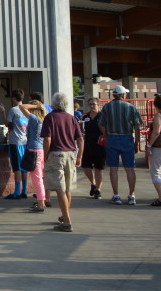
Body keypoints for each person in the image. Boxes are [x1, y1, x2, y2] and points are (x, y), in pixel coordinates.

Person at [41, 91, 85, 232]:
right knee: (67, 188)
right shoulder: (71, 118)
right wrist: (79, 156)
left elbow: (47, 139)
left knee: (60, 189)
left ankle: (67, 221)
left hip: (56, 154)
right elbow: (80, 139)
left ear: (54, 103)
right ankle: (65, 215)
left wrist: (45, 155)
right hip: (70, 154)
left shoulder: (50, 118)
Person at [98, 85, 143, 205]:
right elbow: (137, 126)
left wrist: (107, 135)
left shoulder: (107, 107)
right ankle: (131, 195)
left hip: (112, 138)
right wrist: (136, 143)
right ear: (123, 95)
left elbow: (101, 124)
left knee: (113, 168)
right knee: (129, 168)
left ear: (114, 95)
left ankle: (116, 195)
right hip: (127, 138)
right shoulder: (130, 107)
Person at [0, 90, 29, 199]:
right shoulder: (26, 109)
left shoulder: (13, 110)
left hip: (15, 142)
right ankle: (24, 191)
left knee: (17, 168)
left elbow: (6, 123)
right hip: (25, 141)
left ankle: (17, 193)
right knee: (24, 167)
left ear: (14, 98)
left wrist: (3, 112)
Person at [19, 101, 50, 212]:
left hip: (34, 150)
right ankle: (42, 201)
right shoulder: (43, 120)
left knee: (37, 179)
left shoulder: (34, 119)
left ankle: (41, 204)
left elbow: (21, 106)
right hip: (40, 150)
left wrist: (36, 105)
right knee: (40, 177)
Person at [80, 98, 106, 199]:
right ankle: (93, 183)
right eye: (90, 104)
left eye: (94, 104)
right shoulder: (85, 117)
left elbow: (106, 131)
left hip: (100, 145)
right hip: (88, 145)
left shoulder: (102, 117)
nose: (92, 106)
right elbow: (81, 130)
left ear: (98, 105)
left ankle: (98, 190)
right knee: (86, 166)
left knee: (98, 168)